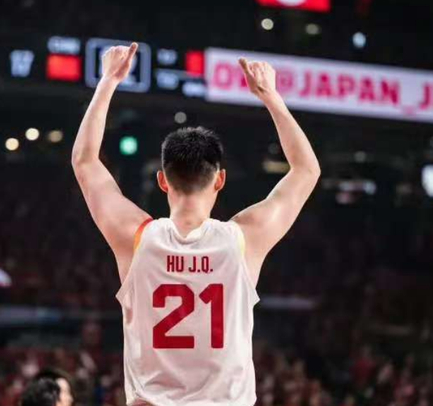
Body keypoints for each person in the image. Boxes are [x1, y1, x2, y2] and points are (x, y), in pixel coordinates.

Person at [72, 43, 320, 406]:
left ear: (162, 180)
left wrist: (108, 80)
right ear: (220, 180)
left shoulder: (137, 237)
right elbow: (306, 170)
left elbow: (85, 162)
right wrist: (270, 95)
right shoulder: (244, 239)